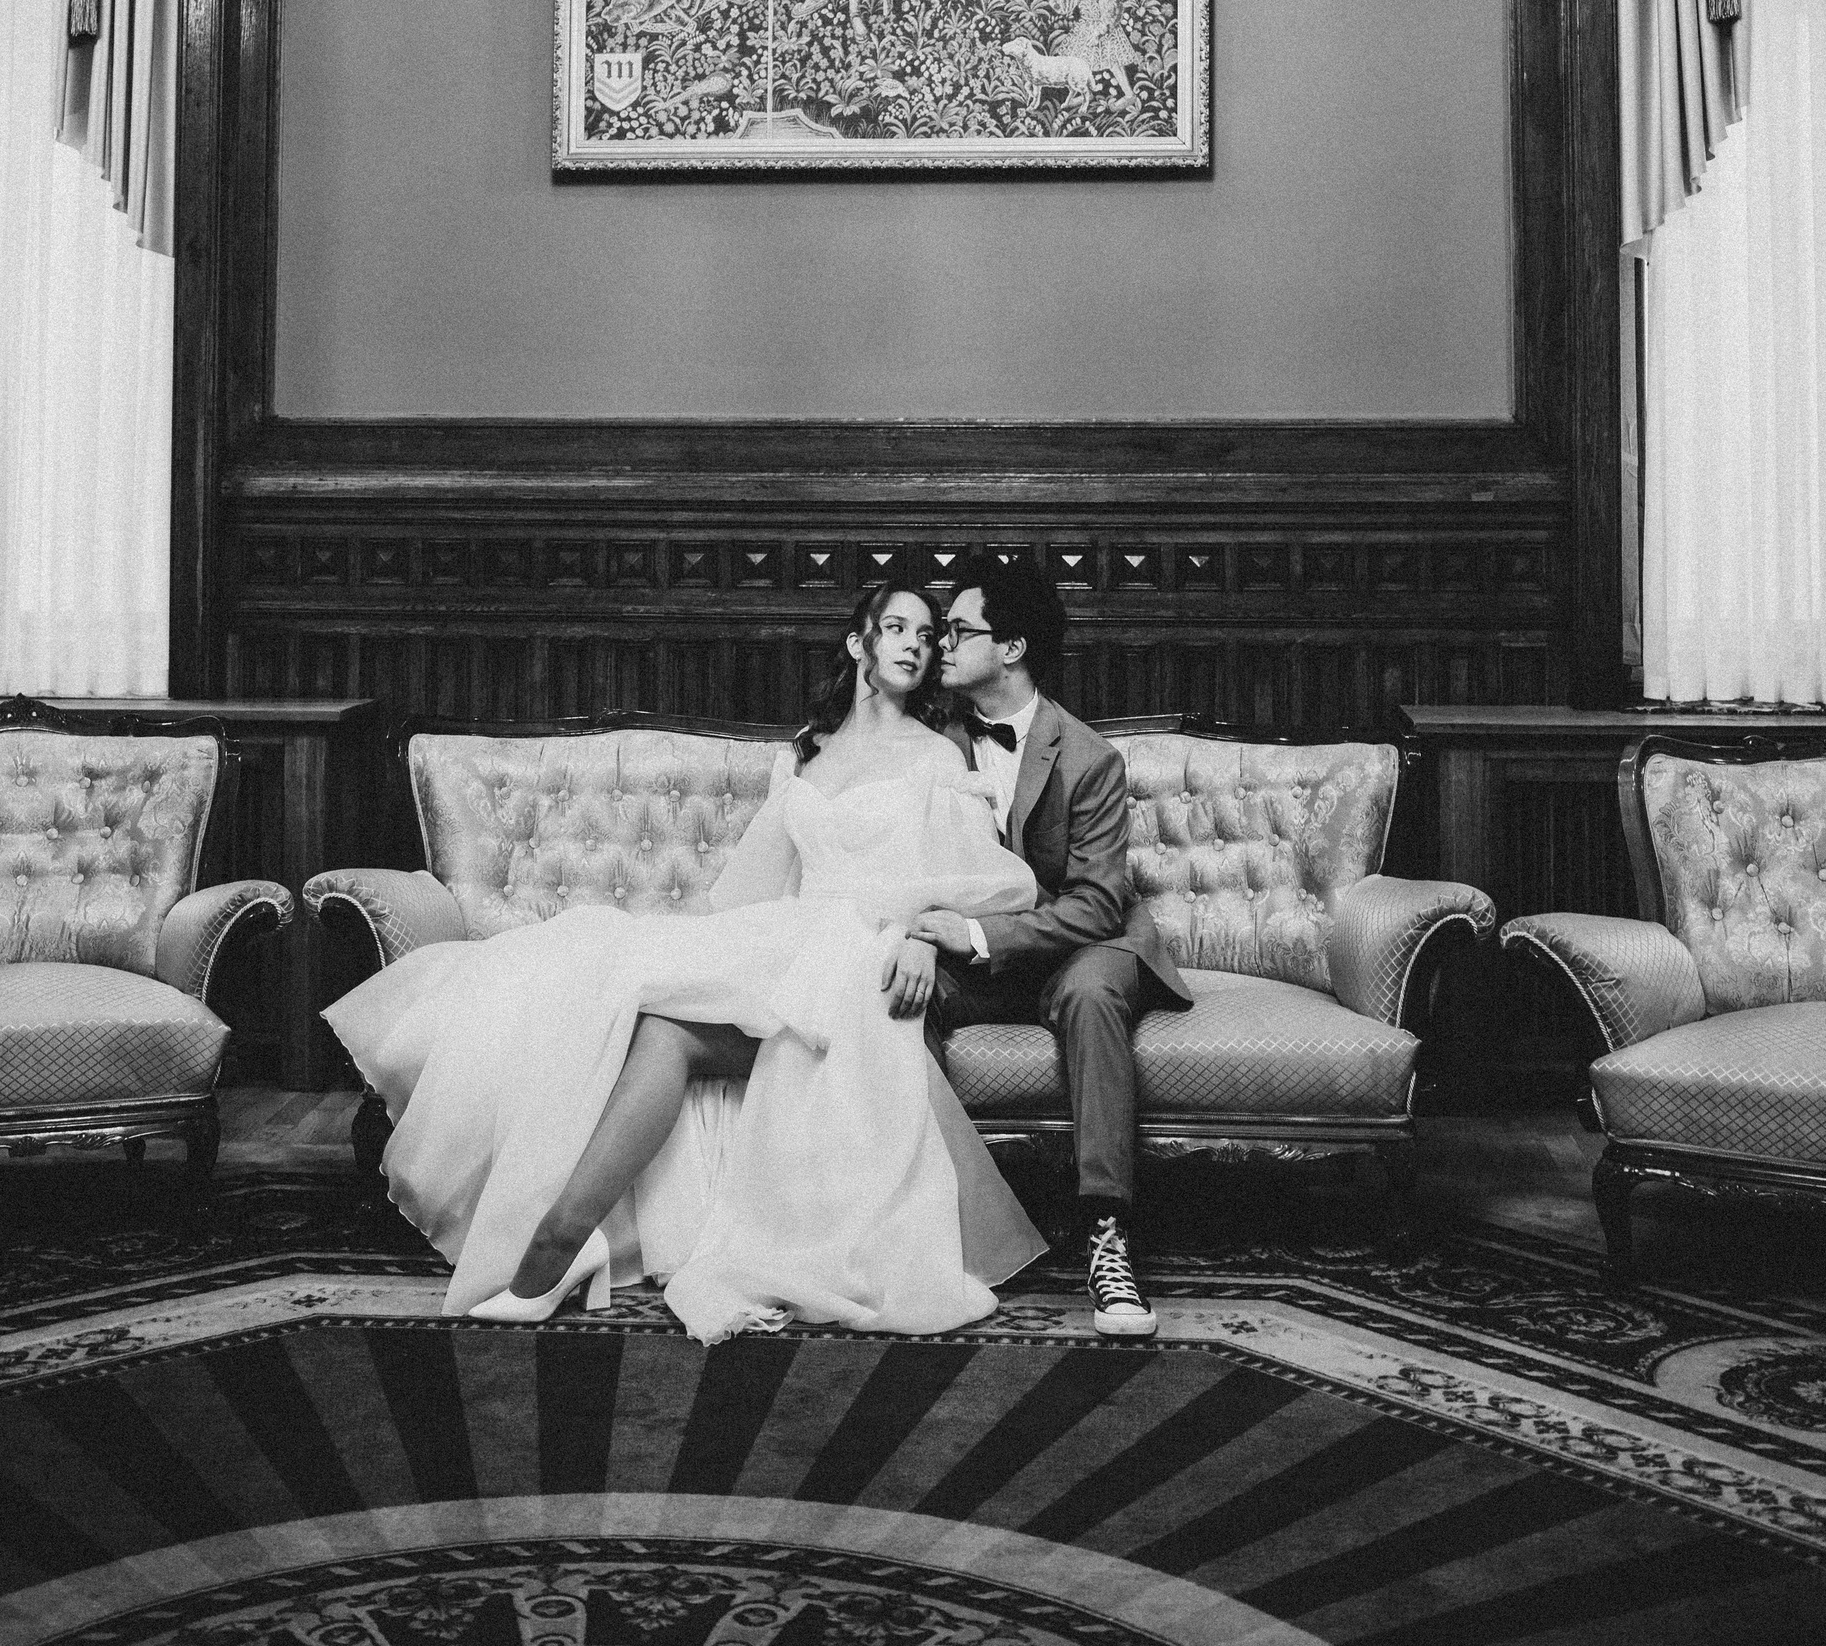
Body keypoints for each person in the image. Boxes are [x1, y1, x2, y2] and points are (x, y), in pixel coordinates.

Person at [325, 584, 1044, 1341]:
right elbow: (757, 890)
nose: (913, 646)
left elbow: (983, 881)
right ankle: (557, 1244)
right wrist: (720, 949)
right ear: (857, 642)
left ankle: (551, 1253)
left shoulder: (937, 755)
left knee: (649, 1009)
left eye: (926, 636)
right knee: (633, 1002)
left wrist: (918, 937)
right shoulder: (810, 751)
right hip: (798, 941)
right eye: (894, 628)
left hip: (870, 959)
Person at [913, 551, 1190, 1340]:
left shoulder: (1089, 757)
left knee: (1091, 991)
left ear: (1011, 648)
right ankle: (925, 1222)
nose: (940, 645)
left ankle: (1108, 1232)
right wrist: (926, 938)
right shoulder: (929, 742)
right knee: (894, 989)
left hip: (1083, 945)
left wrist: (976, 932)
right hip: (979, 959)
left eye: (958, 631)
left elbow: (1097, 904)